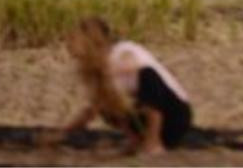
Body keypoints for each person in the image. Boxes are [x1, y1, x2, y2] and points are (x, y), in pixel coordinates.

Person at [63, 17, 193, 154]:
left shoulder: (123, 50)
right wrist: (64, 133)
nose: (70, 44)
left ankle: (153, 141)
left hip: (175, 115)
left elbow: (130, 62)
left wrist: (109, 72)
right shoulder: (98, 71)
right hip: (143, 122)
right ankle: (136, 140)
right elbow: (92, 110)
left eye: (74, 38)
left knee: (147, 76)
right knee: (106, 100)